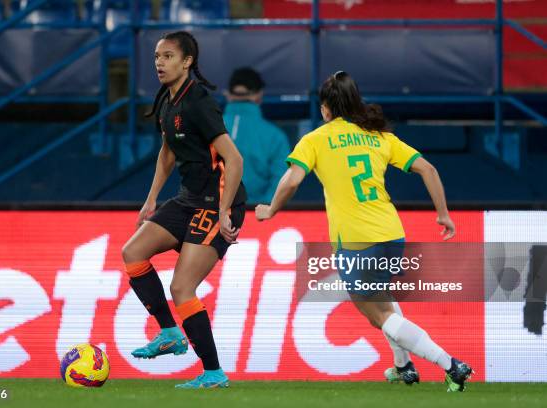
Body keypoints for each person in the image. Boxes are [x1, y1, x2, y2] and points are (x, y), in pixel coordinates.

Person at [255, 71, 473, 392]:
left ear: (326, 108)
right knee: (381, 305)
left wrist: (271, 209)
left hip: (356, 242)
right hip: (391, 234)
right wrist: (443, 215)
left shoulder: (316, 139)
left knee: (379, 314)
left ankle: (450, 364)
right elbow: (428, 168)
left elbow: (292, 180)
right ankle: (403, 366)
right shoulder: (379, 137)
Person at [121, 31, 246, 389]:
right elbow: (167, 153)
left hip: (217, 202)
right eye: (157, 56)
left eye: (168, 56)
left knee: (182, 287)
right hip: (189, 198)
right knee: (133, 252)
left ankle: (213, 373)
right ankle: (170, 334)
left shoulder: (199, 103)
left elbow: (234, 161)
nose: (159, 63)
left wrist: (224, 211)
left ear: (187, 61)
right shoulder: (168, 101)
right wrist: (151, 199)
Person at [223, 67, 290, 203]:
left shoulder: (204, 129)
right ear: (259, 96)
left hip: (208, 217)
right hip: (255, 217)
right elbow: (282, 183)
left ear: (228, 95)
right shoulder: (275, 136)